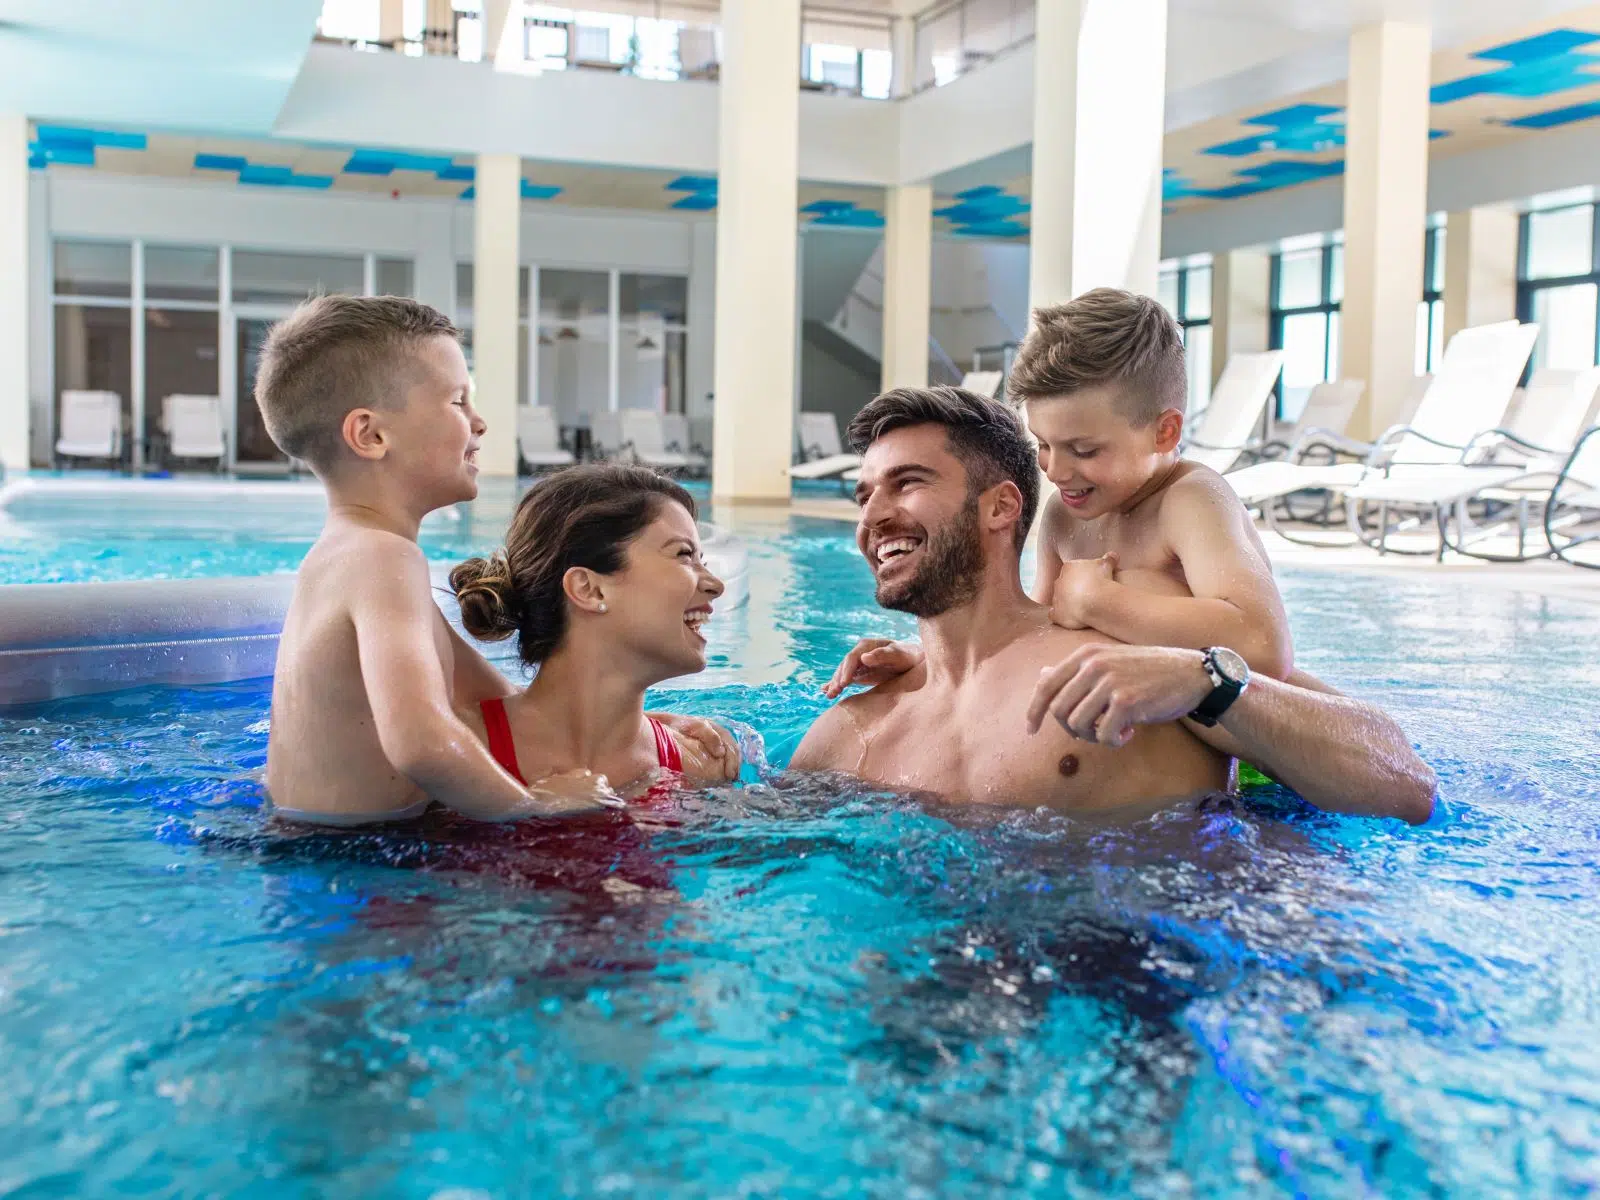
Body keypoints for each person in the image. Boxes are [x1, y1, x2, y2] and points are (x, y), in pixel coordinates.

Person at [795, 386, 1434, 824]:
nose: (874, 516)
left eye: (907, 483)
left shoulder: (1130, 669)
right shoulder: (852, 730)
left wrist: (1206, 682)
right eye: (864, 496)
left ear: (1001, 506)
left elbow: (1406, 783)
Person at [259, 294, 621, 826]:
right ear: (371, 434)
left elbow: (508, 705)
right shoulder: (383, 559)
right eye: (458, 402)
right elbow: (422, 742)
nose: (479, 423)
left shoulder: (353, 554)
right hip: (359, 866)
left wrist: (643, 728)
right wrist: (535, 808)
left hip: (314, 843)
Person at [1010, 287, 1293, 679]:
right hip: (1123, 710)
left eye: (1084, 450)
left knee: (1145, 584)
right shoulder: (1066, 515)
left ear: (1164, 432)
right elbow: (1043, 629)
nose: (1055, 471)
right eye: (1043, 444)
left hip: (1220, 718)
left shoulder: (1191, 500)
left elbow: (1265, 648)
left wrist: (1099, 601)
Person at [450, 463, 741, 797]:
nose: (716, 585)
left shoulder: (702, 764)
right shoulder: (453, 755)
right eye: (684, 554)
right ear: (590, 589)